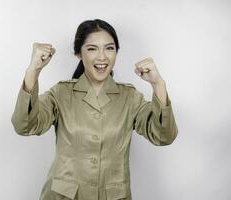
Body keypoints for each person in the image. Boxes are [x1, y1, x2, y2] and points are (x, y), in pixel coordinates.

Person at [11, 19, 178, 200]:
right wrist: (33, 71)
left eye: (109, 48)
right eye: (92, 48)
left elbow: (163, 136)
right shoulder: (61, 93)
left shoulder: (130, 97)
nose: (102, 57)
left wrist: (158, 85)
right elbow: (25, 126)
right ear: (79, 54)